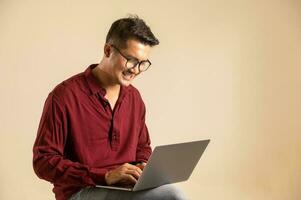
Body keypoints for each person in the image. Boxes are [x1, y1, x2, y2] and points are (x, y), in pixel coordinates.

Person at [32, 15, 187, 200]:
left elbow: (142, 147)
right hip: (81, 191)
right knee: (172, 195)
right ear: (107, 50)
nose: (136, 70)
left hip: (127, 190)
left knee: (168, 191)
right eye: (131, 60)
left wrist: (143, 166)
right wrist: (105, 176)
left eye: (142, 63)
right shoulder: (64, 96)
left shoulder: (134, 98)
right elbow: (43, 162)